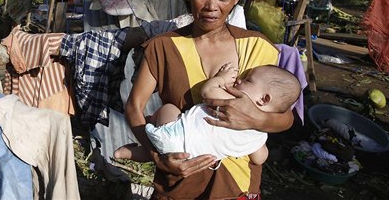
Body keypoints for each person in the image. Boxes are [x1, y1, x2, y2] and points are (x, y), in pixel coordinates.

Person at [124, 0, 295, 200]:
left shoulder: (258, 47)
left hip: (239, 185)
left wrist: (254, 119)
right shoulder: (163, 46)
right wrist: (157, 156)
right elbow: (134, 107)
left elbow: (286, 117)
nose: (212, 7)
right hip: (180, 180)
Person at [115, 64, 301, 165]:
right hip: (192, 158)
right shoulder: (259, 135)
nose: (239, 80)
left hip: (176, 134)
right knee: (158, 151)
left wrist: (221, 79)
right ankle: (125, 153)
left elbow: (208, 92)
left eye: (248, 80)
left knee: (170, 108)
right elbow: (260, 159)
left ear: (264, 98)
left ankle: (152, 122)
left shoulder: (232, 102)